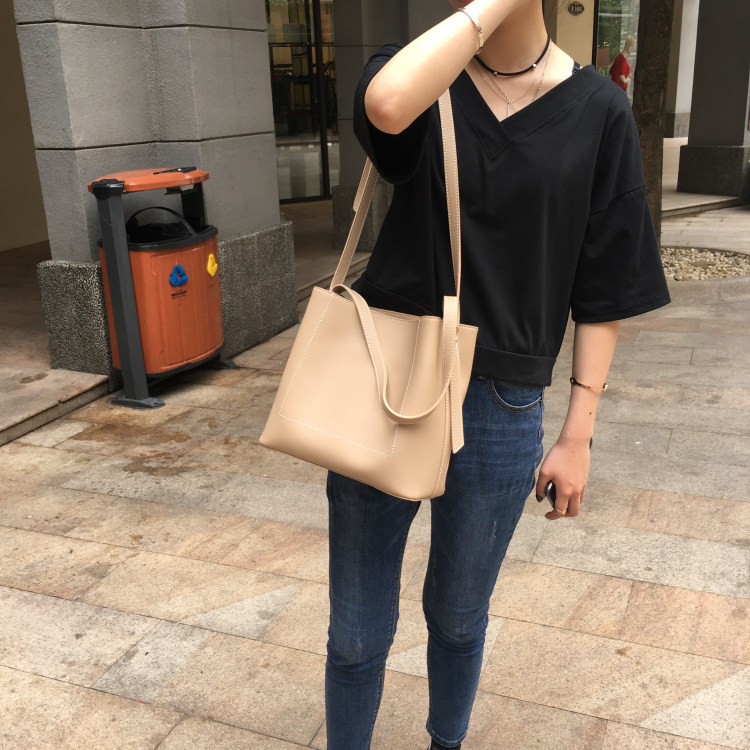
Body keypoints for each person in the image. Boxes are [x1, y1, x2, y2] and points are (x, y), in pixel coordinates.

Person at [324, 1, 670, 748]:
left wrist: (577, 437)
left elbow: (605, 287)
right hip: (385, 384)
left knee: (457, 619)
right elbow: (387, 107)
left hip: (503, 403)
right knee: (355, 633)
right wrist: (483, 14)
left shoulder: (600, 112)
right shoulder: (418, 75)